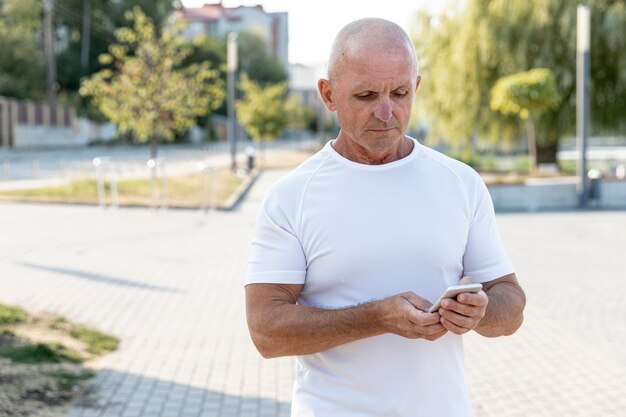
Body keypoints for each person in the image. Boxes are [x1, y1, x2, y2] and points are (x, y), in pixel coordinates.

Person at [244, 17, 526, 417]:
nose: (386, 111)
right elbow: (265, 331)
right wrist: (376, 317)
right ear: (328, 94)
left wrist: (481, 311)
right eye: (365, 95)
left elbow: (511, 305)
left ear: (417, 87)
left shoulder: (459, 182)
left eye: (400, 92)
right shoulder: (291, 197)